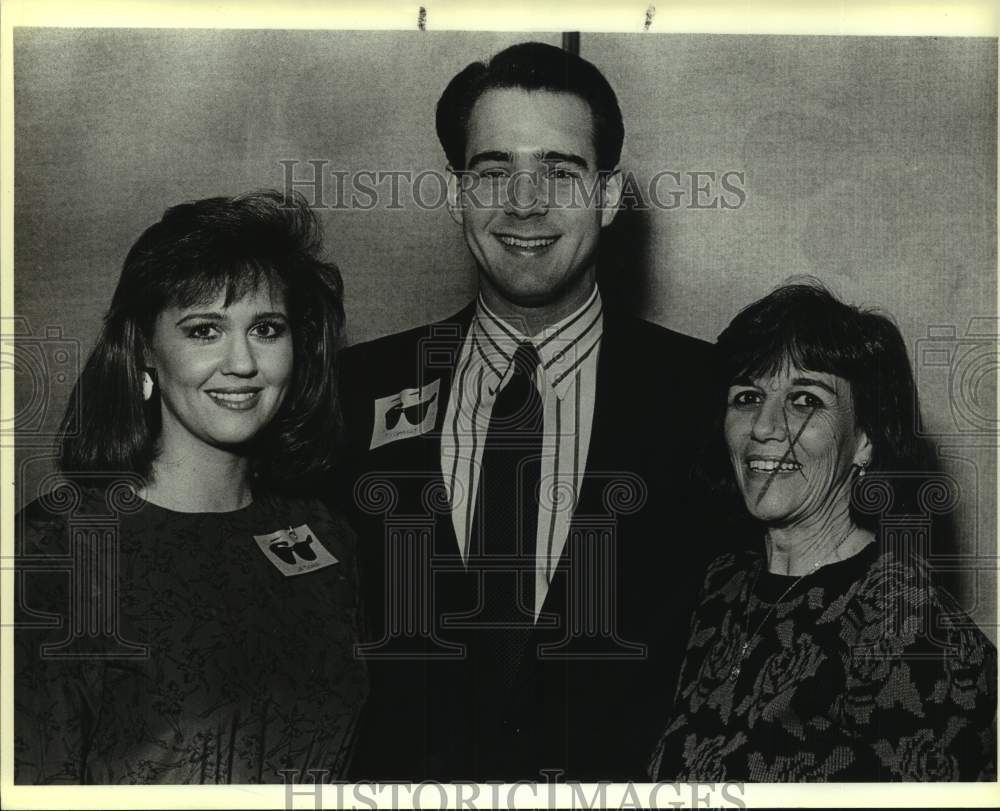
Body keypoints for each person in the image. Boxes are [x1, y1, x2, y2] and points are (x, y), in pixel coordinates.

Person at [336, 42, 723, 781]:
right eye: (493, 171)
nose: (524, 202)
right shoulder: (354, 392)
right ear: (457, 194)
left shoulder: (710, 397)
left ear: (609, 196)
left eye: (560, 171)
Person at [14, 190, 368, 784]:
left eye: (266, 329)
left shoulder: (326, 536)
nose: (242, 363)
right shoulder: (55, 553)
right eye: (205, 330)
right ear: (144, 349)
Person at [648, 282, 997, 781]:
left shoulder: (916, 631)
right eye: (748, 396)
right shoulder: (720, 588)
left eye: (804, 400)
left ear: (866, 440)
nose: (764, 426)